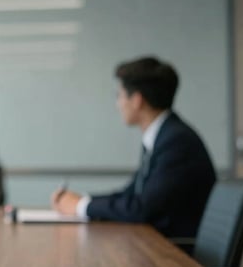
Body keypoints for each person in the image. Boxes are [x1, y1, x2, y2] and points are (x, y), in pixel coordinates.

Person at [51, 57, 216, 237]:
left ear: (137, 100)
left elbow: (142, 208)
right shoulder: (162, 135)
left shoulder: (176, 142)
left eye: (119, 95)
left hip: (175, 253)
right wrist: (82, 201)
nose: (118, 104)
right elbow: (131, 194)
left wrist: (81, 206)